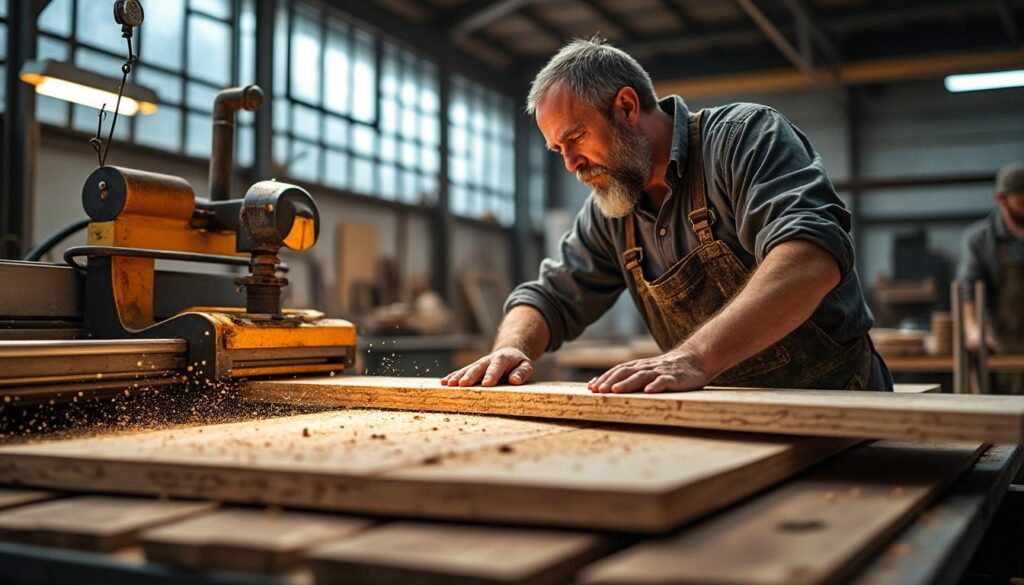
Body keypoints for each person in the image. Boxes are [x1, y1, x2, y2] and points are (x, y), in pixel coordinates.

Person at [442, 37, 892, 393]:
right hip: (724, 416)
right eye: (558, 149)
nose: (570, 163)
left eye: (576, 137)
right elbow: (549, 296)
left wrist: (695, 357)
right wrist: (510, 349)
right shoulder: (611, 211)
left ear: (627, 107)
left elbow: (811, 257)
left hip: (835, 400)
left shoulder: (742, 139)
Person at [957, 162, 1024, 393]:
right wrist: (974, 330)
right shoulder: (980, 240)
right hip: (1001, 342)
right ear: (1002, 199)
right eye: (1021, 201)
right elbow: (969, 288)